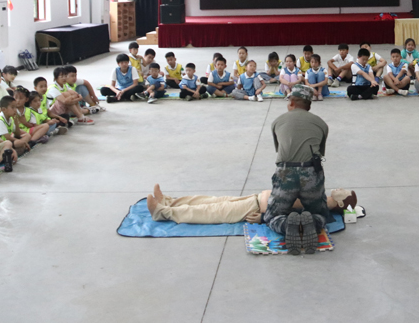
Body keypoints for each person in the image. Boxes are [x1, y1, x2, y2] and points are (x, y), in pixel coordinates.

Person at [263, 85, 333, 255]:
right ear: (309, 105)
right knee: (321, 213)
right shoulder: (321, 124)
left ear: (292, 102)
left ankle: (286, 225)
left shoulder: (277, 121)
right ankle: (312, 222)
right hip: (311, 173)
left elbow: (281, 151)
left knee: (271, 216)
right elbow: (319, 153)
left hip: (285, 173)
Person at [146, 183, 357, 225]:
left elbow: (294, 218)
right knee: (212, 200)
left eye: (343, 192)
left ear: (340, 202)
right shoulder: (320, 197)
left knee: (212, 211)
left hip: (255, 208)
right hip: (256, 199)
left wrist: (263, 218)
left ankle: (163, 212)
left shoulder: (319, 209)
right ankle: (169, 202)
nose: (340, 188)